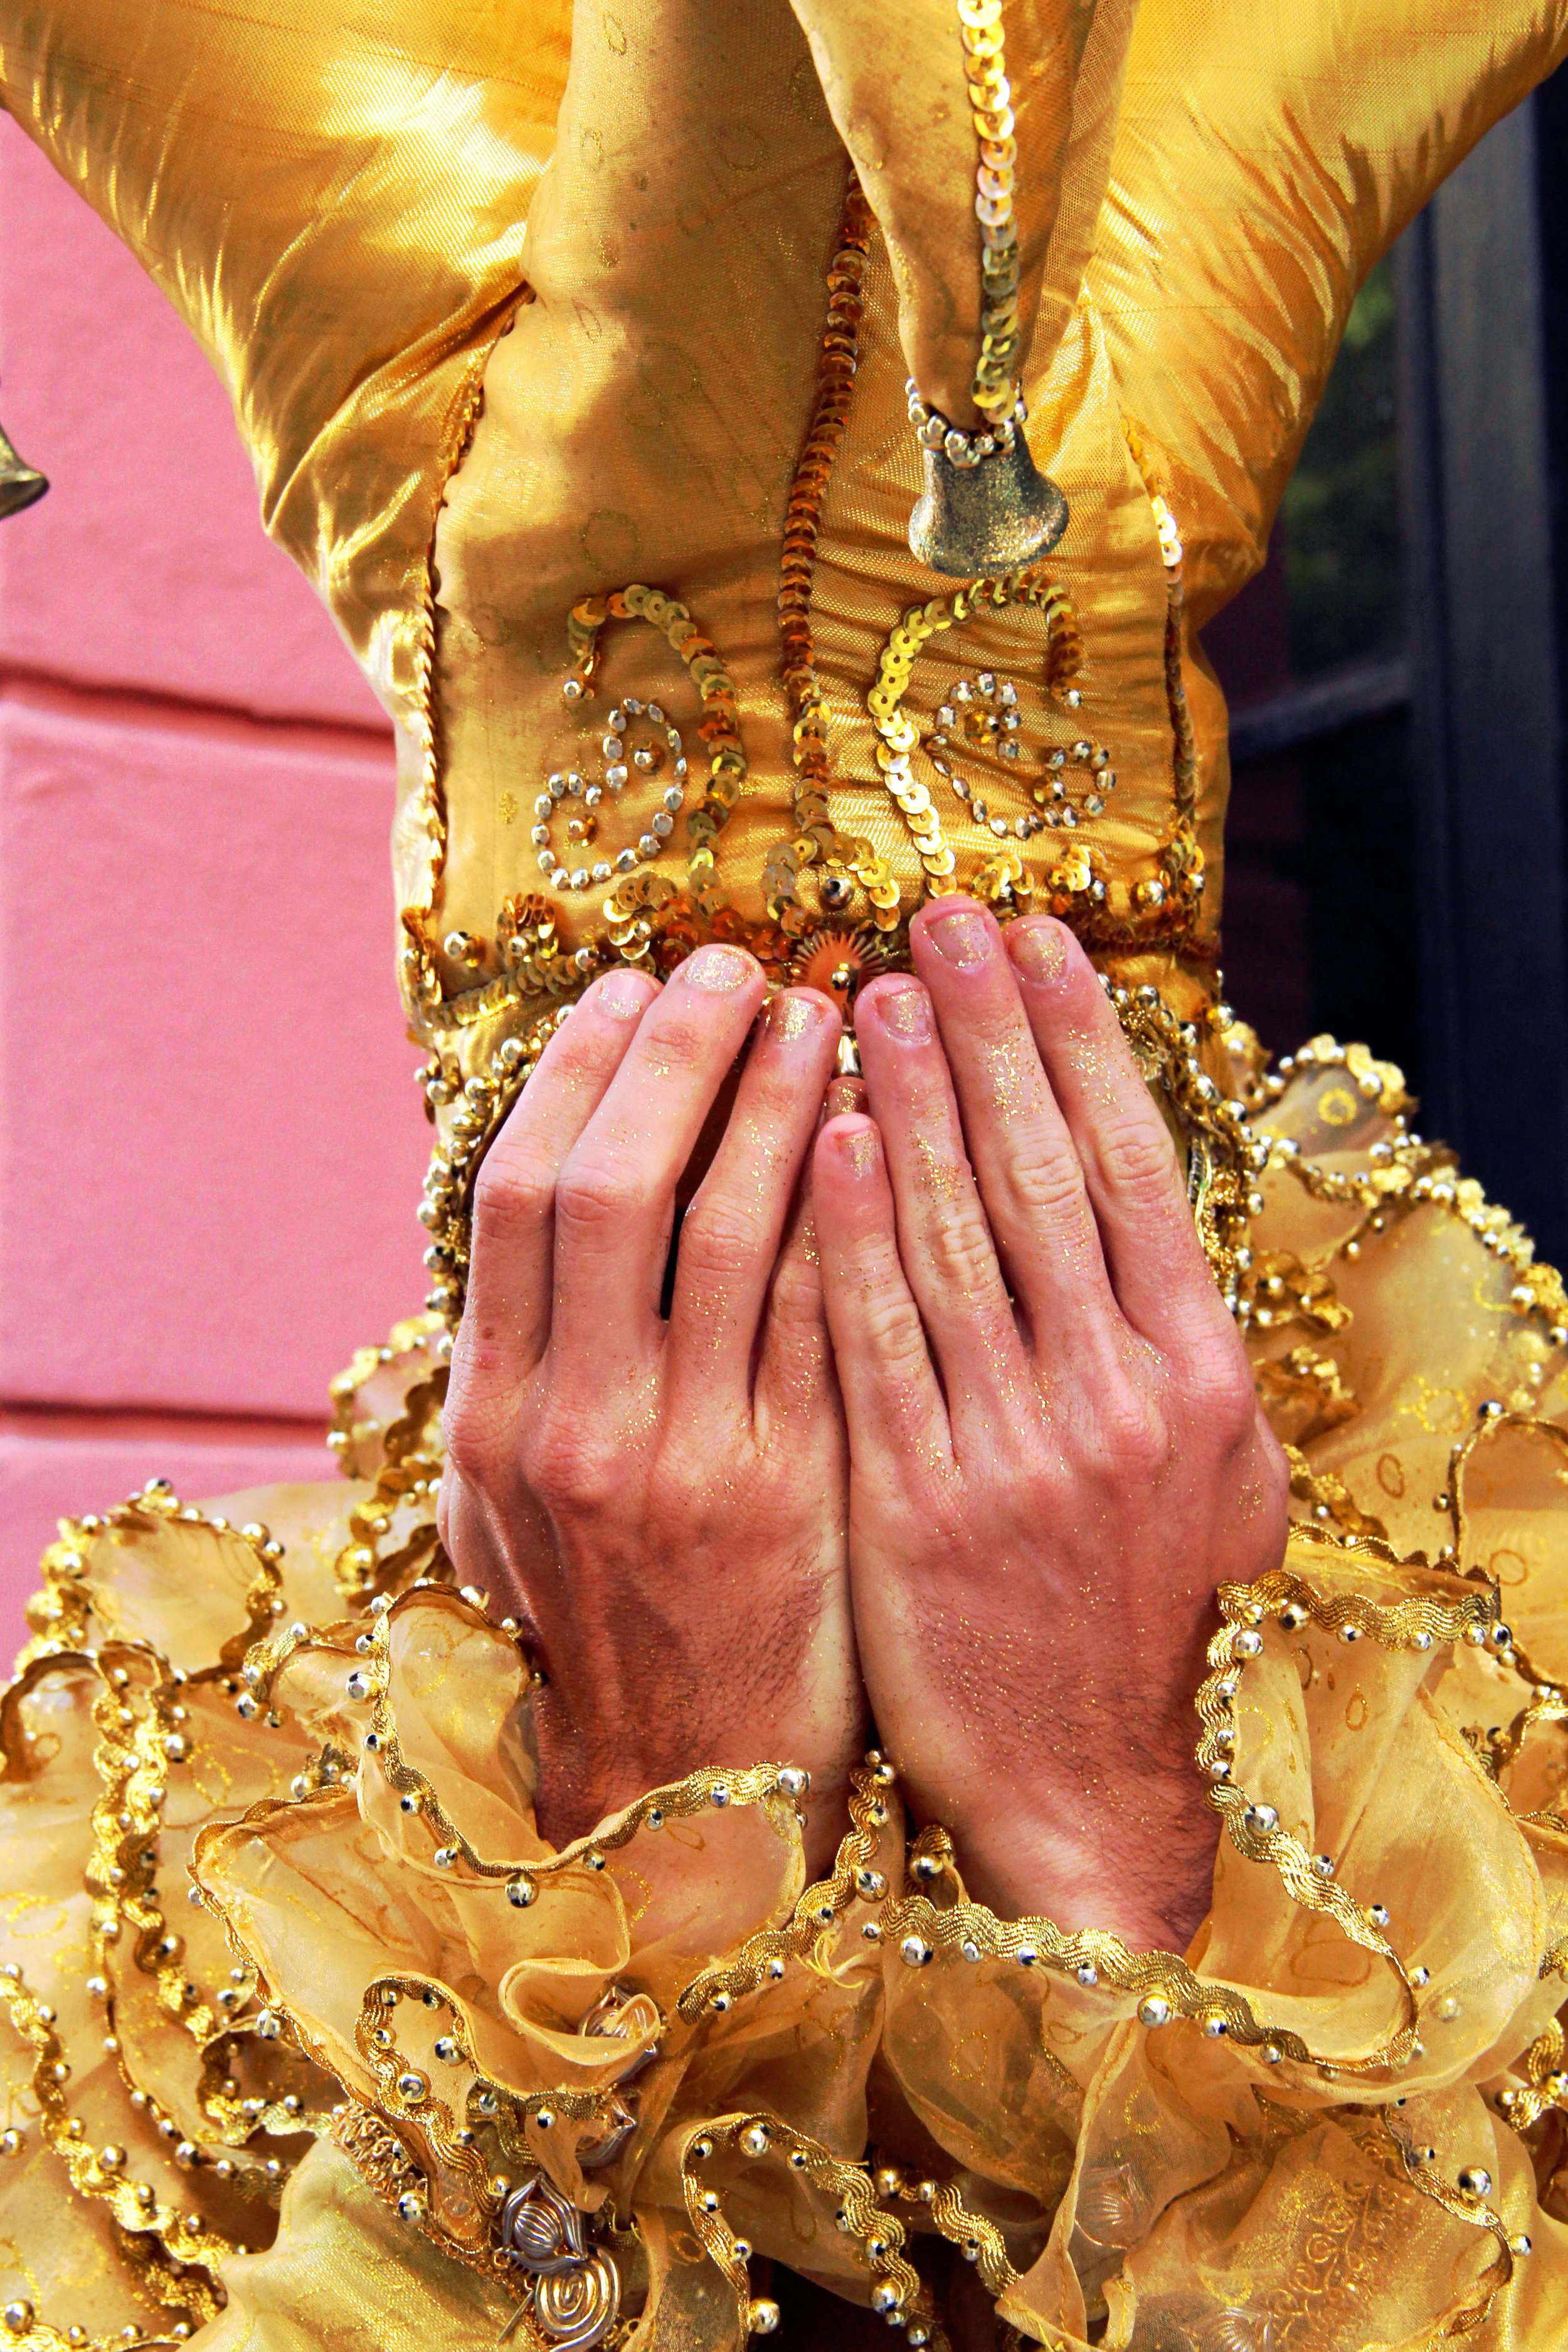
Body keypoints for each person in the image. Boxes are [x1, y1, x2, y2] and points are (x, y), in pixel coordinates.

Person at [1, 1, 1567, 2345]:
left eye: (1002, 1258)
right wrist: (648, 1816)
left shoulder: (1502, 1736)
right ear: (517, 1287)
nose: (863, 1413)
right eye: (676, 1252)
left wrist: (1132, 1845)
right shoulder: (165, 1890)